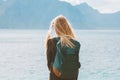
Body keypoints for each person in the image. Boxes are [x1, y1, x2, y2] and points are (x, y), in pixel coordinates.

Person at [45, 15, 81, 80]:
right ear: (67, 27)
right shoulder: (73, 43)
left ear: (56, 28)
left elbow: (49, 66)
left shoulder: (51, 42)